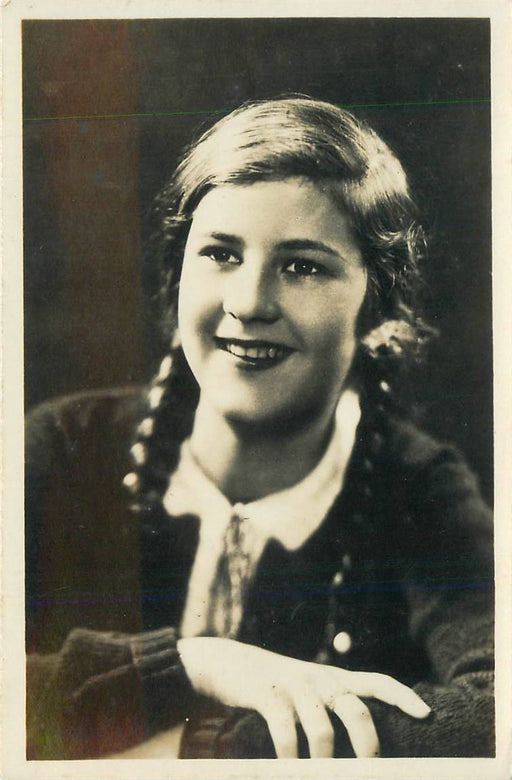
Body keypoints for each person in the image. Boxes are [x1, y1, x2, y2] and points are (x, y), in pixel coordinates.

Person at [25, 96, 494, 760]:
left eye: (302, 266)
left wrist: (206, 753)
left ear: (376, 309)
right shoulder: (66, 447)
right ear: (177, 274)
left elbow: (499, 711)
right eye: (220, 254)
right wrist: (194, 665)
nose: (248, 303)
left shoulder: (420, 492)